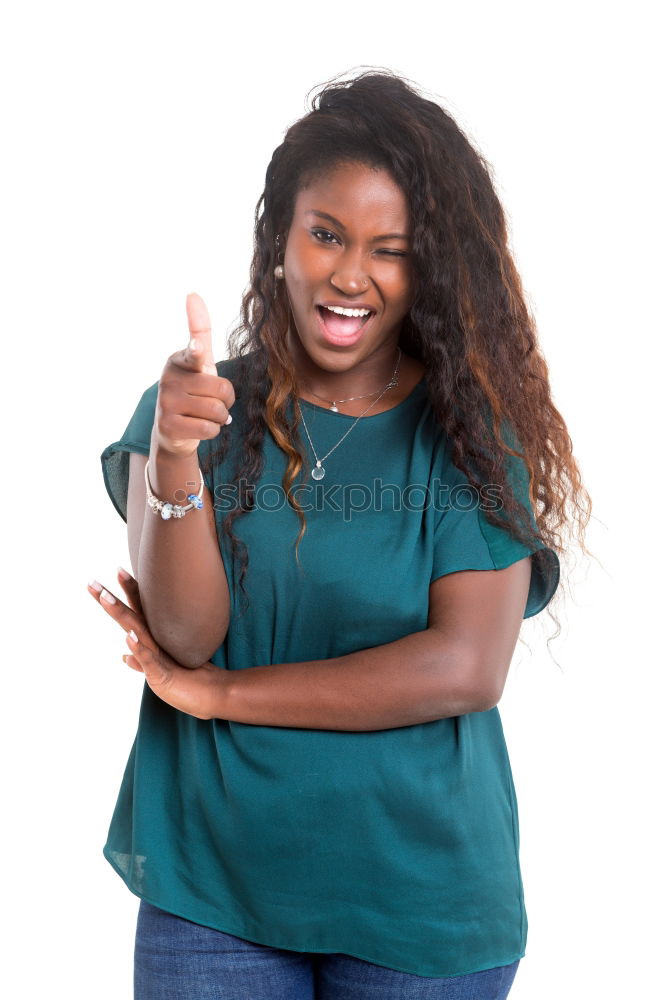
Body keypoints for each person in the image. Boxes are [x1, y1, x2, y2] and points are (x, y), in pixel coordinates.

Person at [88, 69, 591, 999]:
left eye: (389, 250)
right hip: (213, 891)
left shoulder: (472, 441)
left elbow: (464, 667)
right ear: (280, 237)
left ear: (427, 270)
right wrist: (171, 458)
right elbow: (186, 632)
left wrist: (221, 697)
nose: (350, 274)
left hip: (421, 910)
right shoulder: (196, 414)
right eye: (326, 234)